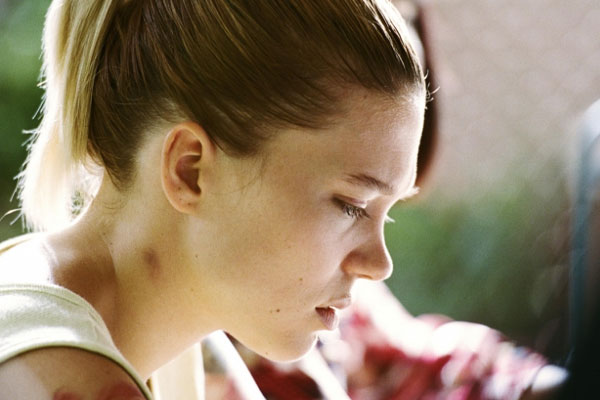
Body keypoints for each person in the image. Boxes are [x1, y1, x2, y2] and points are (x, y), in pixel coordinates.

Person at [0, 0, 426, 398]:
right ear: (190, 170)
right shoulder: (55, 366)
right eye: (351, 205)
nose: (379, 265)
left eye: (385, 215)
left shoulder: (174, 337)